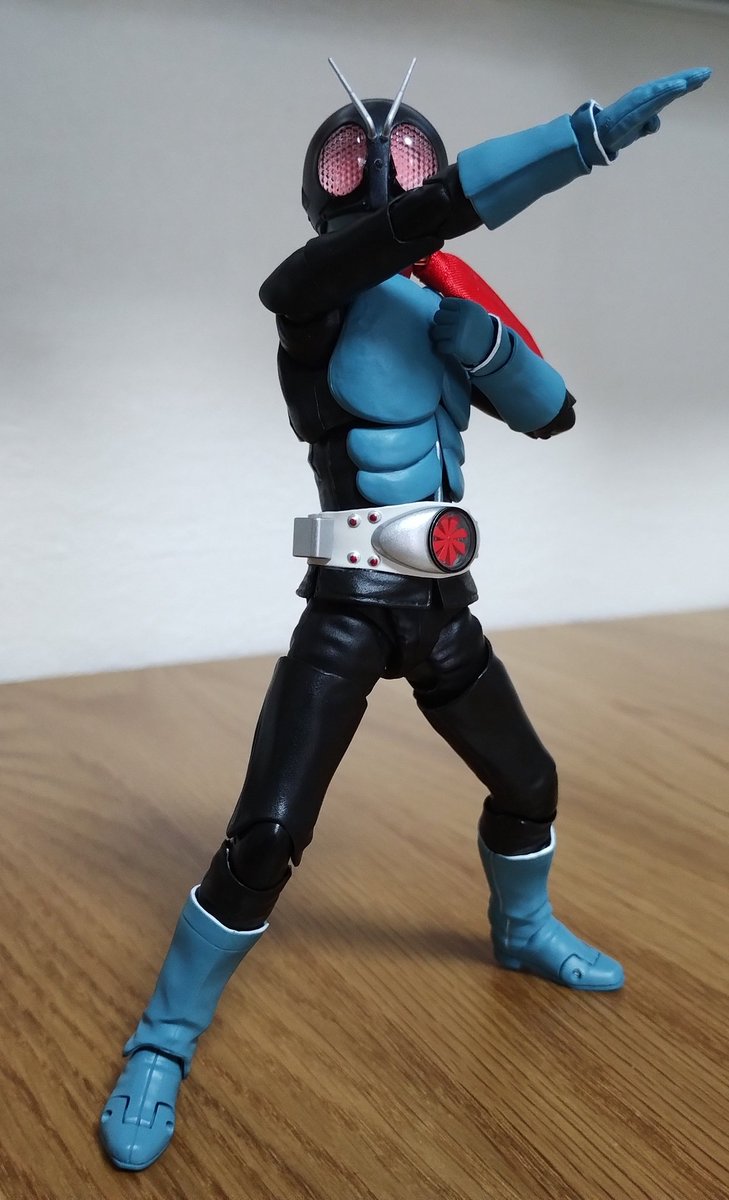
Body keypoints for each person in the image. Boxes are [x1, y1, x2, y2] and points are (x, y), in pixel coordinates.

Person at [99, 61, 711, 1171]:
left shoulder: (442, 298)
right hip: (346, 605)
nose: (383, 171)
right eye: (358, 158)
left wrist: (484, 343)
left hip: (441, 605)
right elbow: (422, 220)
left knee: (530, 784)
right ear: (322, 184)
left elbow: (554, 415)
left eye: (405, 158)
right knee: (266, 835)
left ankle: (521, 932)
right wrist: (579, 139)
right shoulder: (311, 297)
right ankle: (162, 1041)